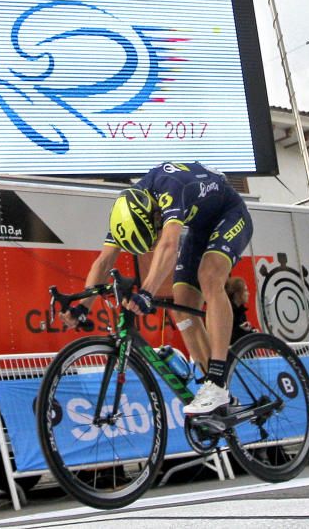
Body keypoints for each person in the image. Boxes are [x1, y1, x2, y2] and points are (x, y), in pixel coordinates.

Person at [63, 162, 253, 416]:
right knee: (183, 304)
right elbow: (104, 261)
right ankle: (212, 389)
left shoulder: (169, 188)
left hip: (230, 214)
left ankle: (217, 381)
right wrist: (82, 307)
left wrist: (147, 292)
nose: (154, 239)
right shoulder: (125, 213)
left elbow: (168, 246)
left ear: (153, 216)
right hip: (199, 227)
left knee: (209, 276)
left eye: (152, 234)